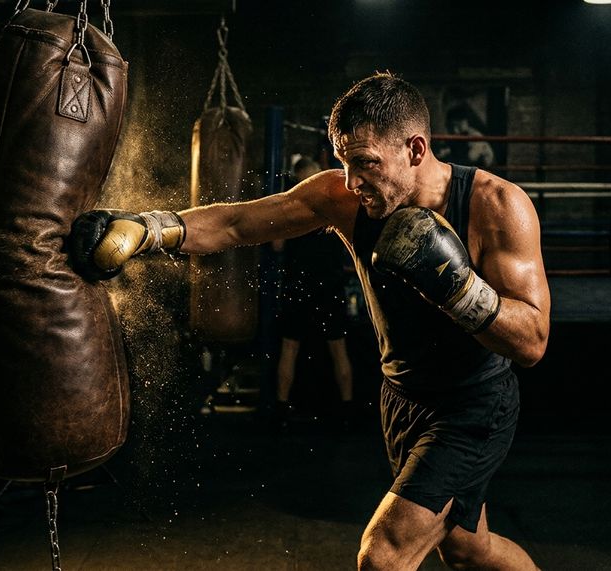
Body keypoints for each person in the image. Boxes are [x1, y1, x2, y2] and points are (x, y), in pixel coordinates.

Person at [71, 71, 549, 570]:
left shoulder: (497, 206)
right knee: (468, 550)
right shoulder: (344, 199)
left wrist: (458, 287)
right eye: (344, 163)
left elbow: (533, 341)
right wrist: (148, 227)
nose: (351, 182)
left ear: (415, 148)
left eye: (365, 164)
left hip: (472, 404)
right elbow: (238, 223)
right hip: (402, 398)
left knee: (383, 556)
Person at [271, 156, 354, 428]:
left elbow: (277, 246)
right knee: (337, 348)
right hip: (328, 284)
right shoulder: (334, 205)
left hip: (300, 284)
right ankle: (346, 411)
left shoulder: (290, 208)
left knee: (290, 347)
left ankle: (281, 410)